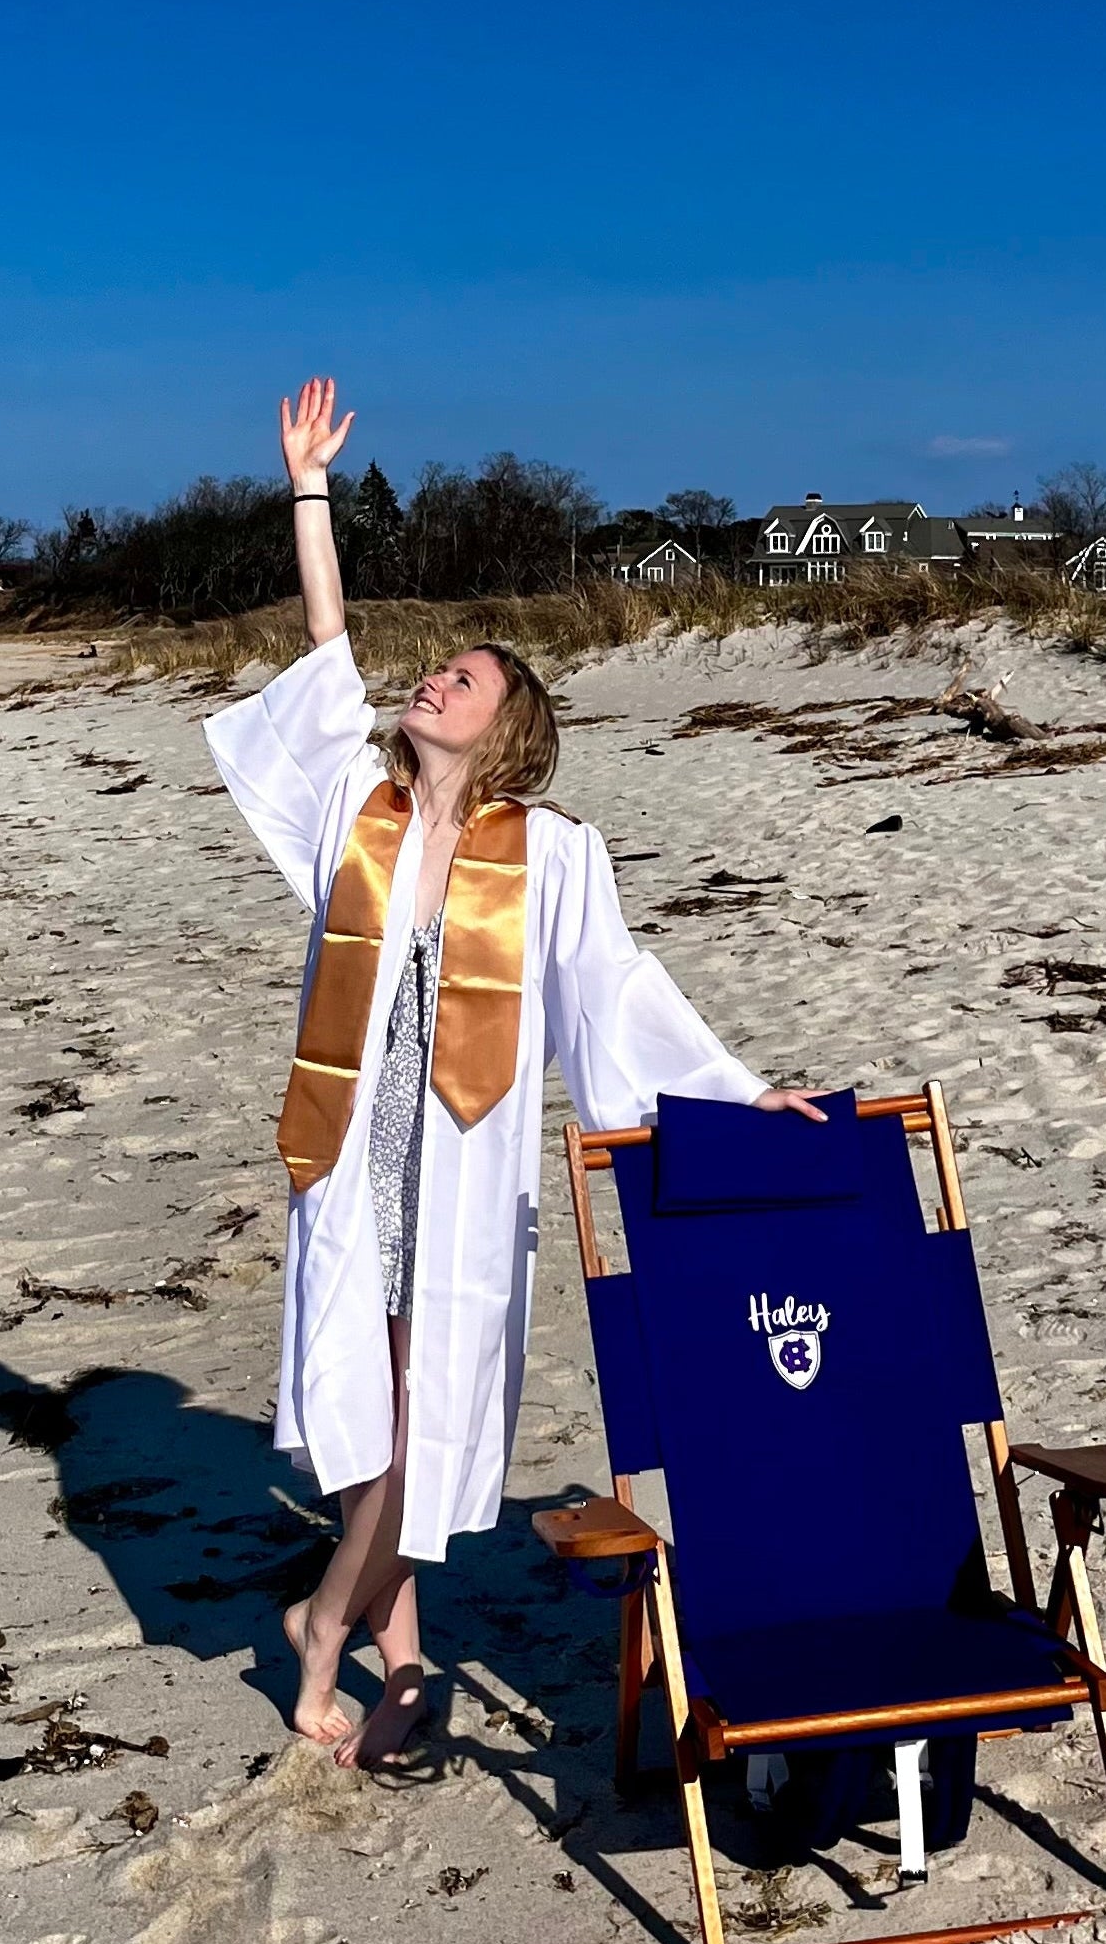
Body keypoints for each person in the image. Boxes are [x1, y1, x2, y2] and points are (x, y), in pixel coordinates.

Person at [205, 376, 822, 1767]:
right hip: (350, 1148)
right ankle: (402, 1655)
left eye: (465, 681)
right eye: (435, 672)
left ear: (505, 729)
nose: (435, 681)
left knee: (426, 1415)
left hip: (463, 1166)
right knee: (373, 1408)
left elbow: (617, 989)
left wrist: (733, 1093)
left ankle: (325, 1622)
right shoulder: (347, 819)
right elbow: (323, 649)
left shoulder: (553, 854)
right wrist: (308, 488)